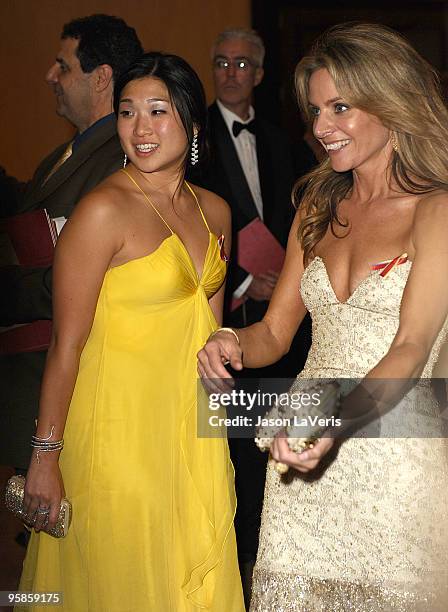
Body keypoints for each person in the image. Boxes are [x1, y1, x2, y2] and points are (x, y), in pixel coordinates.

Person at [198, 22, 448, 611]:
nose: (321, 128)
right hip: (301, 445)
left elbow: (411, 347)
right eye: (315, 110)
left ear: (391, 103)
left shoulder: (436, 210)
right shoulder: (317, 202)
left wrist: (336, 418)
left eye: (341, 107)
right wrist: (231, 339)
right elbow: (275, 334)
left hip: (394, 453)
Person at [17, 52, 244, 611]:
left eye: (158, 111)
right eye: (126, 112)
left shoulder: (215, 211)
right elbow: (64, 346)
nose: (140, 129)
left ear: (192, 123)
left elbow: (210, 334)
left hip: (191, 433)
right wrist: (44, 458)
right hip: (116, 433)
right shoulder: (102, 211)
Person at [189, 29, 312, 598]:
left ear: (260, 73)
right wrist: (242, 281)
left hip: (288, 302)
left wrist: (284, 275)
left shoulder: (284, 139)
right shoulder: (195, 138)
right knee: (233, 439)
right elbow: (189, 224)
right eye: (221, 62)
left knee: (278, 427)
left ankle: (267, 545)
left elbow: (293, 217)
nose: (231, 71)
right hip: (227, 304)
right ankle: (236, 554)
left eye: (242, 63)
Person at [0, 14, 143, 470]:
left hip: (69, 377)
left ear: (101, 78)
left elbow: (93, 276)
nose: (50, 77)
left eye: (62, 66)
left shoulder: (119, 159)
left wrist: (8, 292)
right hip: (32, 366)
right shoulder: (66, 153)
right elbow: (28, 211)